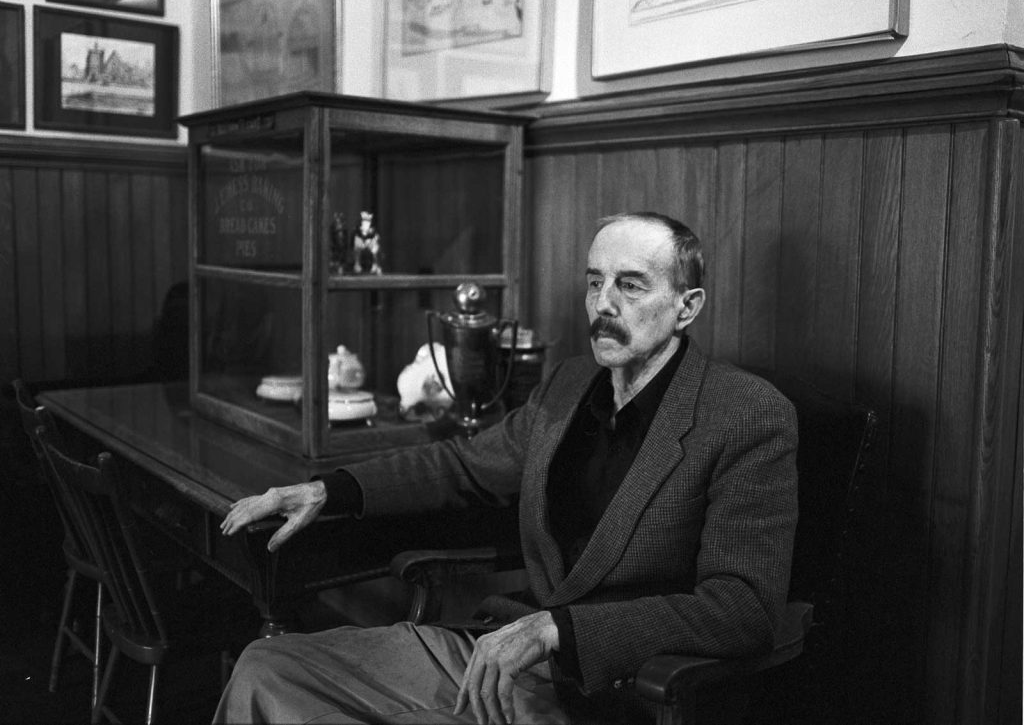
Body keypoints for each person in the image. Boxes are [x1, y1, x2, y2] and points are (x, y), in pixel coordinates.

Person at [213, 211, 799, 725]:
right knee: (267, 665)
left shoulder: (746, 416)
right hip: (497, 655)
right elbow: (462, 465)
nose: (603, 305)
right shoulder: (570, 384)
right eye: (594, 282)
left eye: (630, 285)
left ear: (686, 307)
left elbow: (742, 610)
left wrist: (558, 632)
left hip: (612, 690)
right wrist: (328, 491)